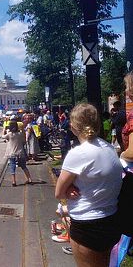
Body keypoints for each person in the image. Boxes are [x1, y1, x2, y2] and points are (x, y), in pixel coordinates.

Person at [55, 103, 123, 267]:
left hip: (87, 225)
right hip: (110, 220)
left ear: (73, 127)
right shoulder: (109, 148)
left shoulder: (78, 154)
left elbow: (58, 193)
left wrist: (68, 188)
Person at [3, 119, 32, 187]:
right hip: (20, 153)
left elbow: (3, 137)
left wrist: (4, 130)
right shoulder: (20, 134)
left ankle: (14, 181)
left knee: (12, 166)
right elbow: (24, 141)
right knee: (23, 166)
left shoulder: (9, 134)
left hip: (11, 153)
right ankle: (29, 179)